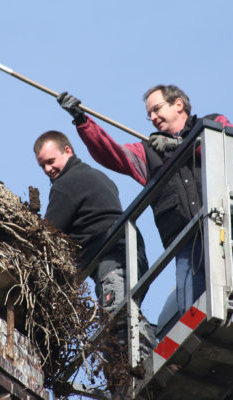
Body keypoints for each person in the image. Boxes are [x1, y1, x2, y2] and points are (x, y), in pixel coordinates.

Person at [56, 84, 233, 317]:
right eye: (149, 114)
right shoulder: (149, 152)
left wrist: (184, 145)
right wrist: (82, 121)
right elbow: (111, 153)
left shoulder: (214, 122)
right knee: (194, 313)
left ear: (178, 104)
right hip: (187, 242)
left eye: (157, 108)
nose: (152, 117)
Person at [33, 131, 157, 369]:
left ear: (68, 151)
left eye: (51, 161)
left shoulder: (66, 184)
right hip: (132, 252)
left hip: (111, 257)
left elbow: (48, 234)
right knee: (124, 312)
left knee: (119, 316)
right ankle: (128, 367)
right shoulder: (97, 175)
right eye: (43, 166)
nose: (48, 169)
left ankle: (146, 367)